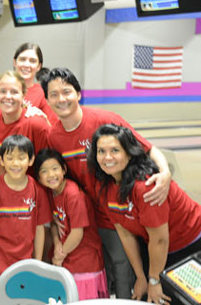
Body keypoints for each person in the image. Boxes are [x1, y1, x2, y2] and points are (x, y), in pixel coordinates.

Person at [41, 67, 172, 298]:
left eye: (67, 91)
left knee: (122, 268)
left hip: (117, 211)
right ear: (47, 100)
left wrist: (165, 173)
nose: (61, 99)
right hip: (84, 217)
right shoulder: (53, 136)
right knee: (100, 273)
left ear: (78, 93)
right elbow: (58, 179)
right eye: (54, 94)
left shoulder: (105, 120)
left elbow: (147, 148)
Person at [88, 124, 201, 305]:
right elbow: (125, 233)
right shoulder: (104, 185)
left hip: (190, 242)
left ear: (129, 153)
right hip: (157, 246)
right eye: (101, 151)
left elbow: (160, 239)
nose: (107, 157)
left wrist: (154, 280)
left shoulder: (145, 187)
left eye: (115, 150)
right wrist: (141, 276)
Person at [0, 135, 51, 296]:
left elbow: (39, 229)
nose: (15, 163)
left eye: (21, 158)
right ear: (1, 161)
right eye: (10, 158)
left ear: (31, 160)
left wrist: (37, 265)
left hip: (27, 265)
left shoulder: (38, 190)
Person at [34, 148, 108, 300]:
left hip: (84, 260)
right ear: (39, 178)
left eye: (55, 169)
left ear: (64, 169)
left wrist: (59, 256)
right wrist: (56, 243)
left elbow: (77, 233)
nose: (51, 175)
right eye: (44, 171)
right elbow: (54, 224)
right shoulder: (50, 192)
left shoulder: (73, 194)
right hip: (67, 255)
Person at [0, 70, 49, 176]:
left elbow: (44, 164)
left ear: (23, 95)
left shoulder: (36, 124)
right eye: (2, 91)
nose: (8, 96)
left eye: (14, 92)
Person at [11, 42, 57, 124]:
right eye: (22, 59)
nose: (27, 64)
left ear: (39, 66)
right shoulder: (2, 89)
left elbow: (52, 129)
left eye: (32, 61)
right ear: (15, 62)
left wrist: (41, 117)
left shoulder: (43, 93)